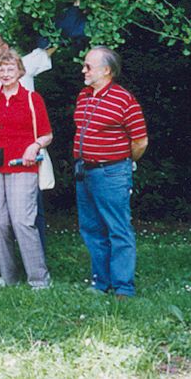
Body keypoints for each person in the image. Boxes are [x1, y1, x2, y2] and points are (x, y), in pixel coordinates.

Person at [74, 47, 148, 298]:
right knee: (92, 229)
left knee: (118, 228)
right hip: (84, 172)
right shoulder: (84, 96)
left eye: (88, 66)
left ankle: (123, 287)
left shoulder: (124, 99)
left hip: (111, 173)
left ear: (106, 70)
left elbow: (140, 141)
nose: (83, 70)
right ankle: (101, 283)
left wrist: (123, 163)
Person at [0, 50, 52, 290]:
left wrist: (34, 145)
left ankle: (39, 279)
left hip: (23, 166)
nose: (6, 74)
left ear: (20, 71)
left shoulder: (32, 99)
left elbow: (47, 134)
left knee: (22, 220)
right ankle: (8, 276)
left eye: (11, 69)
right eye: (2, 70)